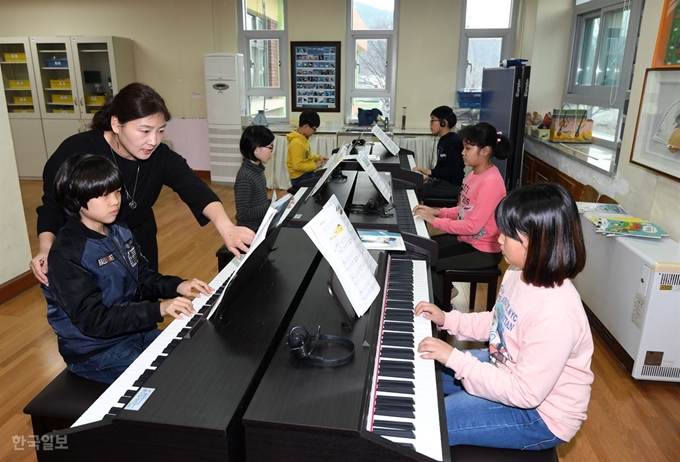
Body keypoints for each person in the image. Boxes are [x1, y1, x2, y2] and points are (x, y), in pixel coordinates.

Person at [415, 182, 594, 450]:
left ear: (538, 243)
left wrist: (456, 358)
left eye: (508, 234)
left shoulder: (557, 314)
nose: (498, 237)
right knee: (421, 366)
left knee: (433, 420)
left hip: (539, 415)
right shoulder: (517, 272)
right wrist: (447, 319)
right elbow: (497, 322)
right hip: (507, 366)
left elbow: (524, 393)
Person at [30, 83, 254, 285]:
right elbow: (52, 205)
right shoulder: (76, 151)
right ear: (116, 124)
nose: (154, 140)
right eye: (145, 131)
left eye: (161, 130)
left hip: (137, 240)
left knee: (143, 300)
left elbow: (195, 188)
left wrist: (226, 227)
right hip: (88, 246)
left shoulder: (160, 156)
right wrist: (46, 247)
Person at [43, 153, 214, 384]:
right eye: (103, 195)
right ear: (75, 201)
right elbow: (94, 321)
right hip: (96, 351)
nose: (115, 201)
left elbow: (140, 277)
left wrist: (178, 286)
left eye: (117, 191)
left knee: (194, 360)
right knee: (172, 381)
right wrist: (158, 310)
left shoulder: (118, 231)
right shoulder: (67, 254)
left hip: (132, 331)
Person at [412, 122, 509, 302]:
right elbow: (464, 209)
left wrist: (436, 222)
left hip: (483, 250)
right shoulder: (474, 174)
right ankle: (445, 291)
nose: (462, 152)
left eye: (468, 148)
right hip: (468, 240)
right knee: (424, 248)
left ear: (485, 151)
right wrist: (437, 212)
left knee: (428, 261)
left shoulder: (491, 183)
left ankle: (444, 313)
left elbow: (472, 225)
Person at [411, 106, 465, 202]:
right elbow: (442, 166)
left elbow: (454, 170)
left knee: (415, 190)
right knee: (414, 183)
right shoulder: (444, 139)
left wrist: (429, 172)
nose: (430, 124)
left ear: (443, 122)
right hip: (442, 182)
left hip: (450, 186)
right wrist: (431, 177)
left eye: (433, 120)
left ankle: (413, 214)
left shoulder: (453, 141)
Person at [234, 125, 275, 232]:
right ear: (256, 149)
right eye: (270, 148)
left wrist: (276, 203)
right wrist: (271, 206)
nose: (272, 152)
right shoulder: (246, 177)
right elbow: (243, 214)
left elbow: (258, 203)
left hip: (261, 224)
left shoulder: (258, 170)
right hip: (251, 231)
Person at [286, 110, 328, 188]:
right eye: (314, 129)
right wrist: (315, 166)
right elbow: (297, 166)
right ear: (306, 127)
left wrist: (318, 157)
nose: (314, 132)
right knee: (325, 183)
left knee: (326, 176)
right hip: (299, 178)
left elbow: (306, 156)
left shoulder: (303, 138)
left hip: (305, 174)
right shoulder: (297, 142)